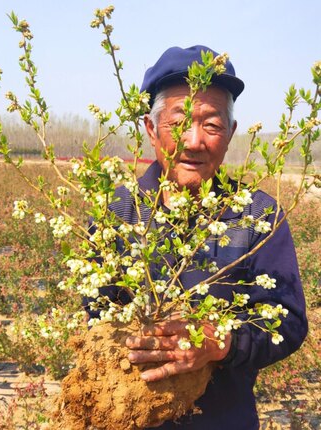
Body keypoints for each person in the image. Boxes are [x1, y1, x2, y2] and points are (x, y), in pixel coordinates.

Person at [86, 45, 308, 429]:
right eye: (179, 122)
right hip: (131, 415)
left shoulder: (257, 214)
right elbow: (93, 312)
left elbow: (288, 319)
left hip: (223, 418)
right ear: (151, 129)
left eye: (211, 124)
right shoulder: (118, 212)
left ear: (230, 133)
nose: (194, 141)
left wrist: (222, 343)